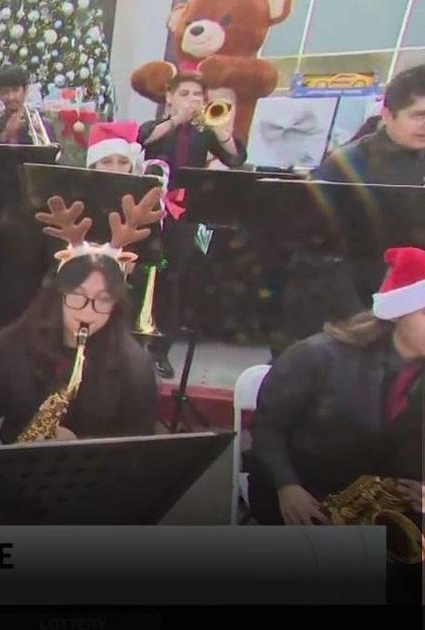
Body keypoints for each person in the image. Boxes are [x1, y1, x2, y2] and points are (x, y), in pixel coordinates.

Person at [249, 246, 424, 603]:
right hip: (305, 495)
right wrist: (287, 487)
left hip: (383, 507)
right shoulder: (317, 355)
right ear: (402, 313)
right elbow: (268, 429)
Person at [0, 191, 161, 446]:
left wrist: (81, 447)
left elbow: (138, 447)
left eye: (102, 300)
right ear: (58, 295)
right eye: (77, 296)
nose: (88, 311)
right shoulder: (17, 341)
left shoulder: (134, 366)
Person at [278, 66, 425, 352]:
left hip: (410, 310)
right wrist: (352, 312)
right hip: (352, 313)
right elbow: (313, 250)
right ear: (386, 114)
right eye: (418, 116)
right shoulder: (345, 165)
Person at [137, 73, 247, 378]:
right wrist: (175, 120)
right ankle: (134, 343)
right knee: (144, 275)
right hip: (150, 210)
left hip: (185, 215)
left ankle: (160, 351)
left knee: (175, 282)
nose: (192, 99)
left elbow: (236, 158)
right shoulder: (156, 126)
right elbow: (142, 141)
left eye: (197, 94)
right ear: (170, 97)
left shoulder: (204, 132)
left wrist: (221, 130)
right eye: (185, 93)